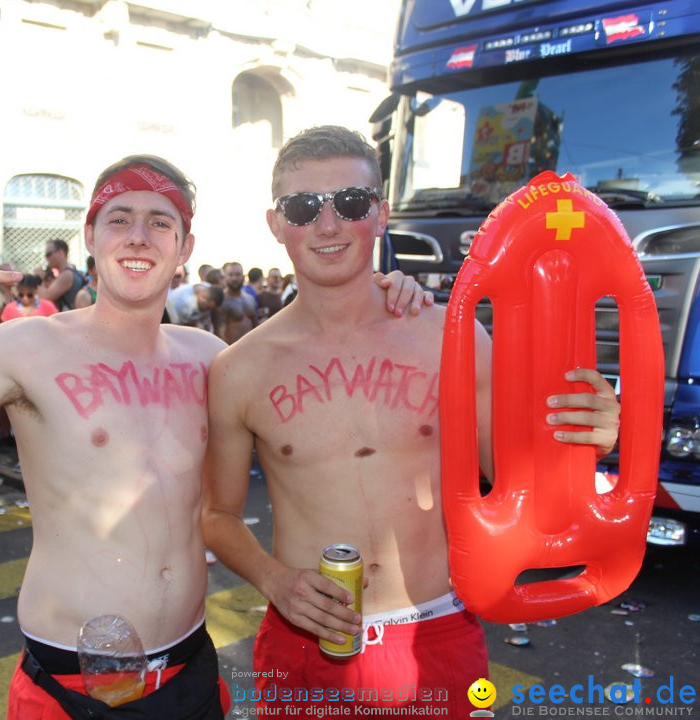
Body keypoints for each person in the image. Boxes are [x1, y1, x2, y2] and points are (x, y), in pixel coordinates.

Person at [0, 154, 428, 719]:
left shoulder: (210, 359)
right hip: (71, 678)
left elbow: (326, 384)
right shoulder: (25, 349)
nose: (139, 236)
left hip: (189, 666)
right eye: (119, 219)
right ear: (91, 237)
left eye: (160, 222)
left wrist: (386, 295)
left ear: (184, 248)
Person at [200, 125, 622, 717]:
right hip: (306, 646)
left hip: (436, 637)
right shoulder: (239, 369)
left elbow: (516, 478)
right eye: (303, 207)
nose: (327, 226)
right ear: (276, 224)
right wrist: (274, 580)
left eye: (350, 202)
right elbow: (216, 516)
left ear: (380, 213)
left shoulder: (447, 337)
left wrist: (585, 443)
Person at [213, 261, 257, 344]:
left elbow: (255, 325)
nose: (234, 278)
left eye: (237, 274)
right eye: (230, 275)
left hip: (250, 349)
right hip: (230, 350)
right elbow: (219, 331)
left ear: (243, 277)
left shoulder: (250, 299)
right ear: (225, 277)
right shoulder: (221, 301)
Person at [37, 238, 86, 312]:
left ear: (61, 253)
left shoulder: (66, 275)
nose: (46, 258)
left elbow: (45, 298)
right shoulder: (74, 272)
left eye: (48, 254)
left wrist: (39, 278)